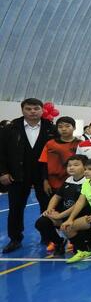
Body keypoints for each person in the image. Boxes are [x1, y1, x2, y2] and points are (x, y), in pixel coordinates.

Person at [0, 98, 56, 252]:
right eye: (28, 109)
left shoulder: (51, 129)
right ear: (22, 110)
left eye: (36, 108)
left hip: (44, 176)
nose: (32, 111)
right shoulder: (10, 128)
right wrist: (3, 172)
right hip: (16, 175)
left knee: (47, 206)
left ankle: (48, 236)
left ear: (42, 110)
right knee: (15, 208)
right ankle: (15, 239)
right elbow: (1, 152)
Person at [35, 154, 90, 258]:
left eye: (76, 165)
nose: (71, 167)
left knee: (75, 241)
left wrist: (60, 216)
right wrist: (49, 210)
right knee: (41, 222)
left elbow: (79, 204)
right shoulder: (68, 180)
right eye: (69, 165)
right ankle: (59, 242)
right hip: (65, 215)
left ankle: (82, 244)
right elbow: (56, 196)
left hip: (81, 216)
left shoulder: (88, 182)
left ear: (85, 167)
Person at [38, 116, 79, 195]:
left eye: (67, 126)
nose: (63, 129)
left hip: (74, 182)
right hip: (53, 183)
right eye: (60, 127)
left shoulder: (80, 144)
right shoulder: (50, 144)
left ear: (74, 128)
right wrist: (45, 181)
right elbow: (44, 163)